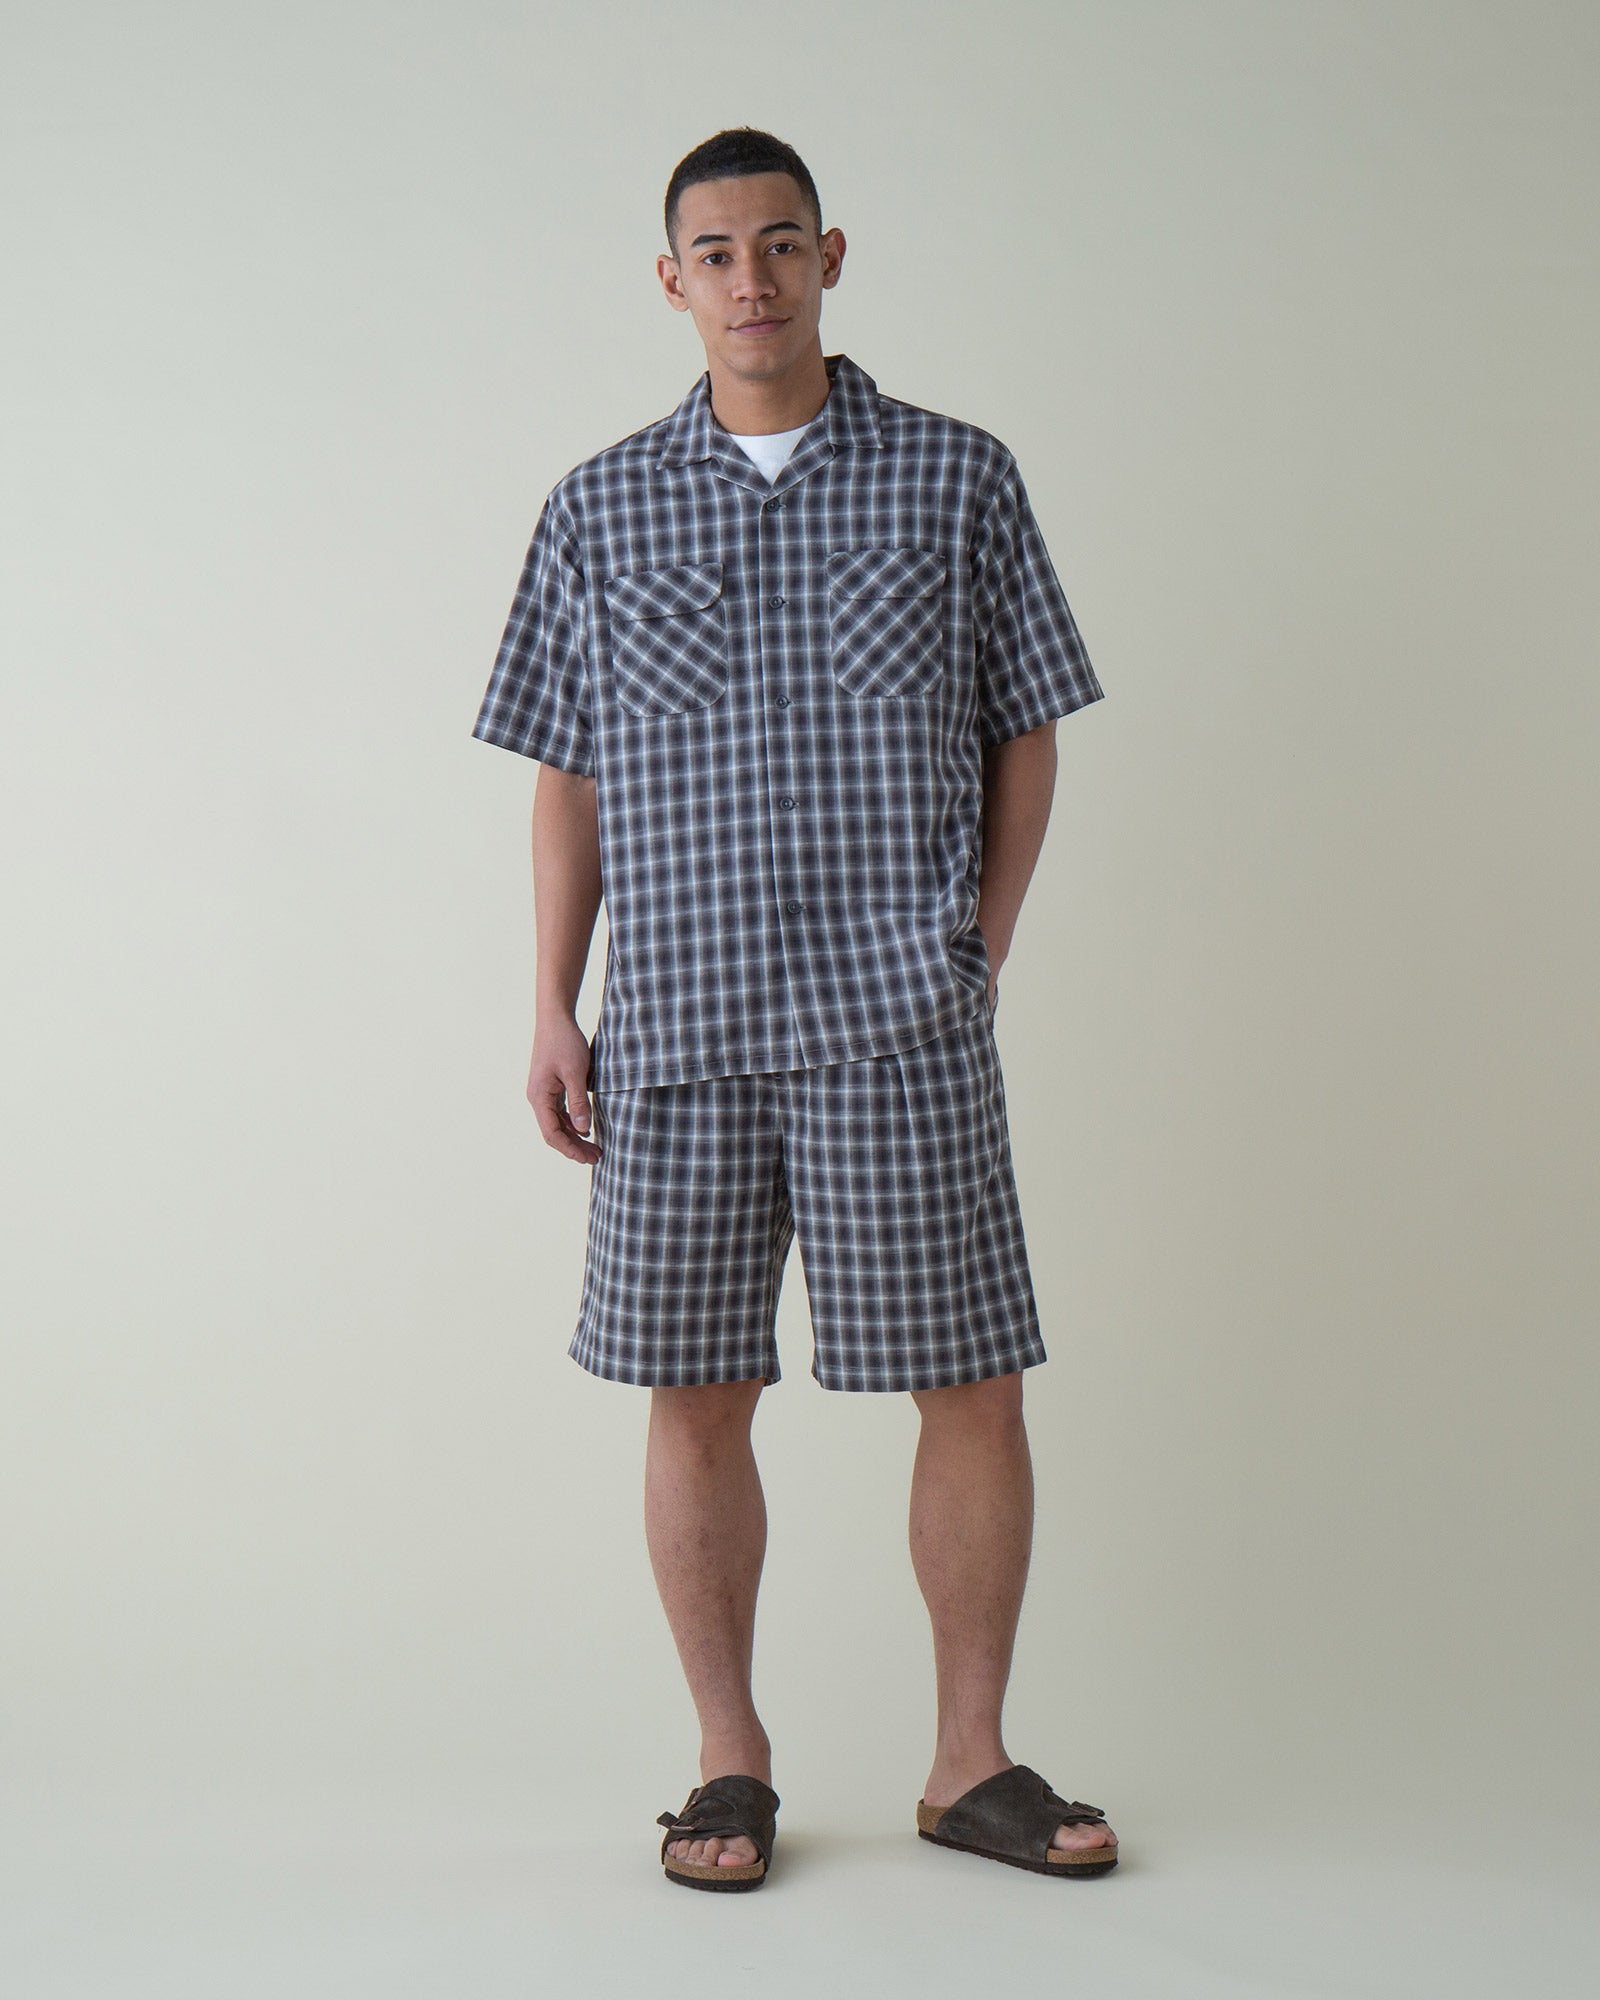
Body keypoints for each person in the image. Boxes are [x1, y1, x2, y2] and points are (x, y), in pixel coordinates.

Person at [471, 127, 1118, 1891]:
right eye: (715, 251)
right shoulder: (601, 505)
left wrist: (978, 947)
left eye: (778, 243)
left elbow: (1026, 722)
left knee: (969, 1385)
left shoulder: (957, 477)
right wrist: (552, 1003)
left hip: (897, 1022)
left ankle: (970, 1762)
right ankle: (728, 1765)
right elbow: (567, 773)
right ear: (670, 280)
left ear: (830, 256)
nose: (749, 278)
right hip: (678, 1030)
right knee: (693, 1393)